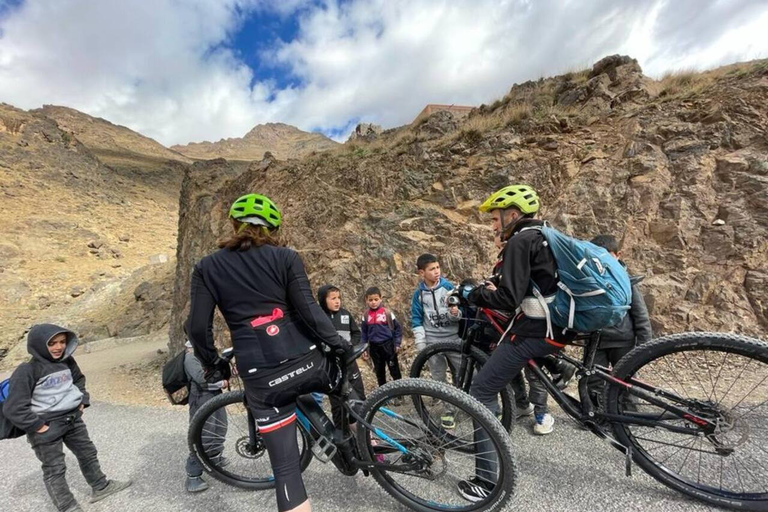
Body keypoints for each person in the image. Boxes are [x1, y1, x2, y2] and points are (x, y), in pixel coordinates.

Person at [186, 193, 352, 512]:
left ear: (234, 225)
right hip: (308, 361)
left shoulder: (206, 267)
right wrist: (340, 346)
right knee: (345, 385)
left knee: (287, 471)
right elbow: (309, 311)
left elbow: (196, 329)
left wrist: (214, 366)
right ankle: (359, 439)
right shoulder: (286, 257)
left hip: (261, 376)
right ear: (273, 228)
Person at [458, 184, 576, 502]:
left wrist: (474, 294)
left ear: (512, 215)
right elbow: (529, 284)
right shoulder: (545, 235)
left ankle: (485, 482)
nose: (494, 226)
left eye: (495, 219)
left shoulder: (520, 240)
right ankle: (556, 365)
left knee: (481, 391)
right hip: (560, 327)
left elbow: (509, 299)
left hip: (537, 330)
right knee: (513, 353)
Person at [2, 324, 132, 512]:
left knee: (88, 453)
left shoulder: (67, 361)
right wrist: (39, 426)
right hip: (46, 427)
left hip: (73, 420)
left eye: (62, 342)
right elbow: (14, 407)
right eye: (52, 343)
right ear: (38, 345)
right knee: (55, 468)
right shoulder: (27, 370)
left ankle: (101, 487)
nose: (58, 347)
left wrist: (82, 400)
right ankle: (67, 506)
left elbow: (78, 379)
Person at [589, 235, 652, 406]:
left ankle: (630, 414)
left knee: (626, 381)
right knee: (593, 379)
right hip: (596, 341)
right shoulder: (589, 279)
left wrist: (645, 346)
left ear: (618, 254)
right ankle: (597, 415)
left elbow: (640, 314)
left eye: (607, 255)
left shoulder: (626, 280)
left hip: (623, 340)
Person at [410, 253, 463, 428]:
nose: (436, 272)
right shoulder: (418, 294)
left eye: (438, 267)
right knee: (438, 376)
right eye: (432, 269)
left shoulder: (448, 288)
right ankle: (449, 409)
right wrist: (421, 343)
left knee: (464, 371)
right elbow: (416, 319)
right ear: (421, 272)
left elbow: (460, 311)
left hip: (453, 338)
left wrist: (455, 314)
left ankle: (473, 404)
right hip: (432, 340)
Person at [317, 284, 366, 427]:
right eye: (333, 298)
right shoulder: (319, 318)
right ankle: (343, 436)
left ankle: (365, 433)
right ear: (323, 300)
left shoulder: (345, 314)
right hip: (332, 366)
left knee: (360, 397)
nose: (337, 301)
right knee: (338, 403)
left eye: (338, 298)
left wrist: (351, 346)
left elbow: (356, 333)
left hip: (350, 363)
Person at [183, 339, 228, 493]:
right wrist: (220, 381)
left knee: (220, 427)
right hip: (201, 398)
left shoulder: (205, 353)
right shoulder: (190, 356)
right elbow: (202, 379)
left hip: (214, 395)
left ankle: (214, 458)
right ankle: (193, 474)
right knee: (204, 435)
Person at [361, 287, 403, 387]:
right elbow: (364, 333)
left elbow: (398, 329)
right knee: (379, 373)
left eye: (376, 299)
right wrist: (364, 349)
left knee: (394, 370)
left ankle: (400, 392)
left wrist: (397, 343)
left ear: (380, 299)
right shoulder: (366, 315)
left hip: (388, 345)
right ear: (366, 300)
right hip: (374, 347)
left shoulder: (387, 313)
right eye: (370, 300)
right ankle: (383, 396)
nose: (373, 302)